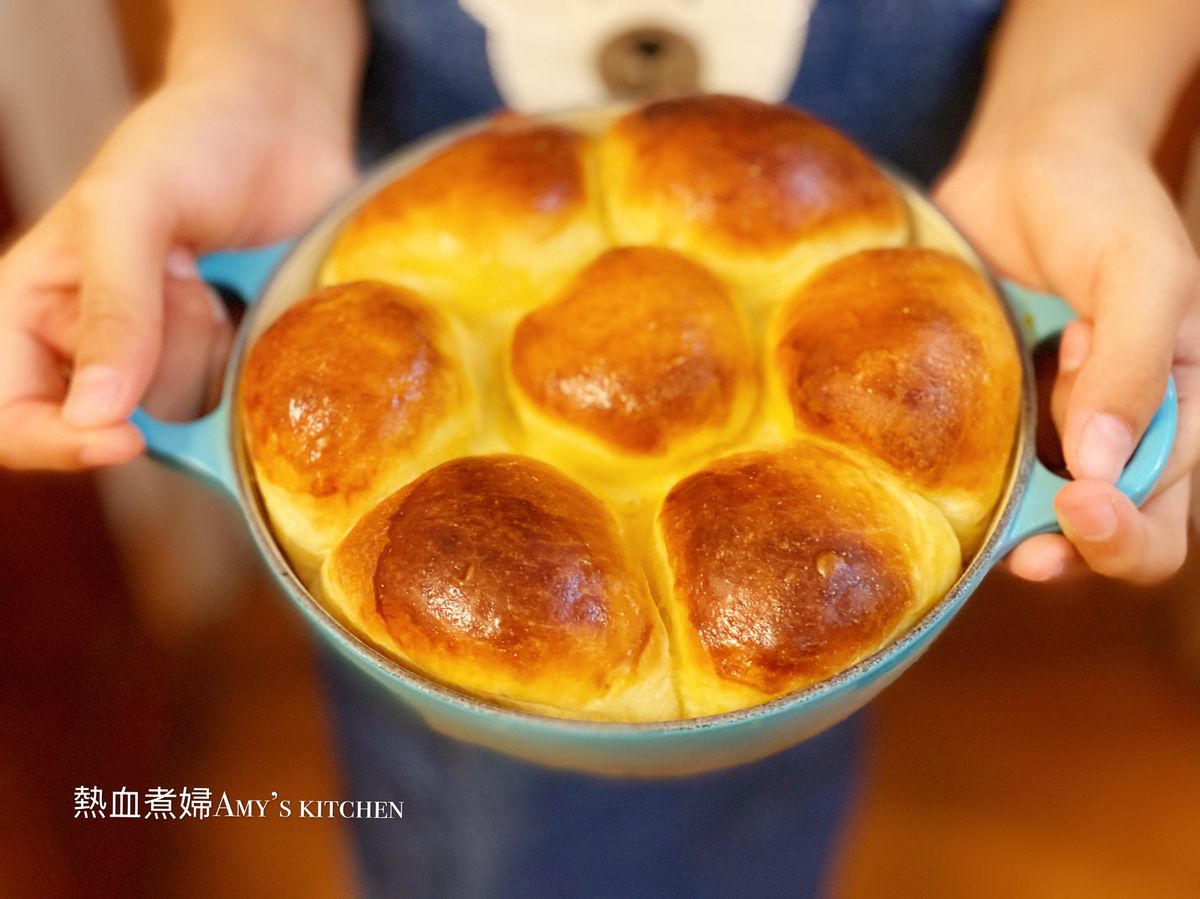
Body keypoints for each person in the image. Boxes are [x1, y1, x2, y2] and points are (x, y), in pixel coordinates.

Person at [1, 0, 1197, 895]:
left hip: (912, 223)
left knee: (784, 726)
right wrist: (258, 67)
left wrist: (1070, 108)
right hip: (394, 190)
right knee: (454, 814)